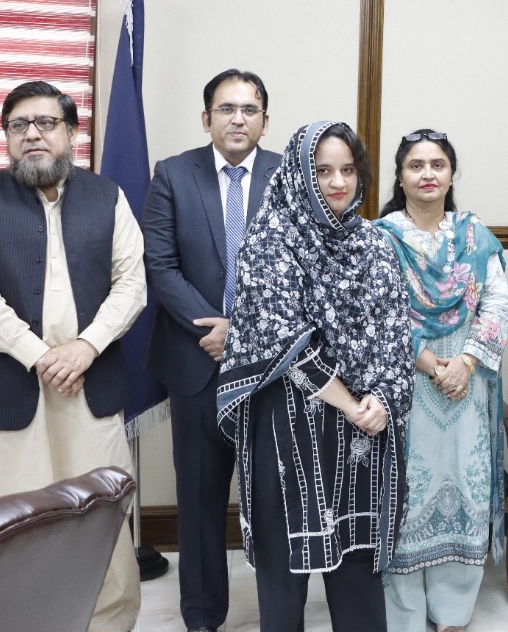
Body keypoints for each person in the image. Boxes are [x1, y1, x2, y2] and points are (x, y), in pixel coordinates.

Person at [0, 80, 145, 632]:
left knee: (100, 522)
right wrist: (40, 356)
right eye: (18, 125)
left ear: (71, 133)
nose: (32, 134)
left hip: (88, 386)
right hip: (3, 389)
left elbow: (131, 284)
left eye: (46, 123)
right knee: (3, 526)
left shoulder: (108, 196)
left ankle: (106, 624)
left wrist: (85, 347)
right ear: (7, 138)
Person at [216, 121, 414, 632]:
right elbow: (284, 341)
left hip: (362, 430)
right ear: (299, 175)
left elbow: (396, 332)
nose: (338, 182)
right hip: (288, 428)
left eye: (348, 170)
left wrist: (382, 400)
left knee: (359, 570)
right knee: (285, 577)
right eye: (323, 171)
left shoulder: (374, 242)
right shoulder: (270, 238)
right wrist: (351, 403)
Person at [143, 68, 281, 632]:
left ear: (265, 120)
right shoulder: (173, 174)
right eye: (226, 109)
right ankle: (202, 617)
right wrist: (214, 327)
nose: (238, 119)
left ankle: (279, 613)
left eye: (249, 109)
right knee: (199, 499)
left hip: (272, 368)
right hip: (196, 361)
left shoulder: (290, 177)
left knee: (273, 498)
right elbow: (160, 264)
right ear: (207, 118)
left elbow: (299, 269)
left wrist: (242, 331)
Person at [374, 128, 508, 632]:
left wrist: (466, 362)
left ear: (452, 174)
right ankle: (404, 614)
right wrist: (434, 365)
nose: (427, 174)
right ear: (400, 176)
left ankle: (453, 611)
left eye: (438, 164)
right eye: (416, 165)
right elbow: (375, 315)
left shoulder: (475, 237)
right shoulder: (379, 239)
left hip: (467, 383)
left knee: (466, 488)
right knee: (405, 495)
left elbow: (498, 302)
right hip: (405, 382)